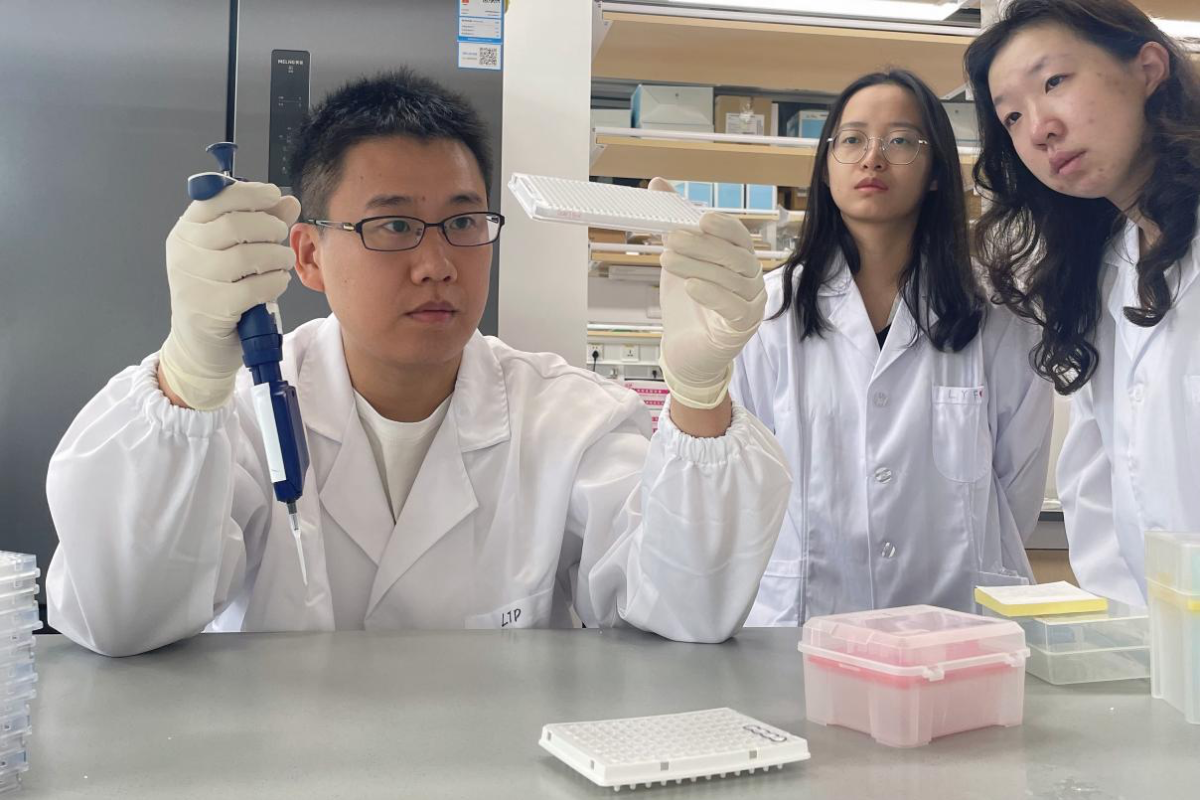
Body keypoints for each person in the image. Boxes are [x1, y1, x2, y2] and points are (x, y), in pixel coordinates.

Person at [45, 69, 791, 656]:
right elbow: (119, 618)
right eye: (394, 224)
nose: (437, 263)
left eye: (463, 221)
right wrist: (185, 380)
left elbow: (686, 613)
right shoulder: (240, 415)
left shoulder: (570, 420)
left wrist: (699, 395)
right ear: (308, 254)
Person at [730, 70, 1052, 624]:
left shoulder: (1000, 313)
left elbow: (1016, 487)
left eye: (900, 141)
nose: (872, 158)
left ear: (936, 173)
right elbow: (743, 481)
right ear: (826, 166)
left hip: (955, 623)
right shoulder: (768, 311)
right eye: (852, 139)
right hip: (806, 618)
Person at [966, 0, 1200, 606]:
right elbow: (1100, 490)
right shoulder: (1099, 276)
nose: (1038, 128)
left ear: (1148, 69)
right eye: (1012, 116)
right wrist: (1129, 635)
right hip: (1159, 641)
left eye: (1053, 82)